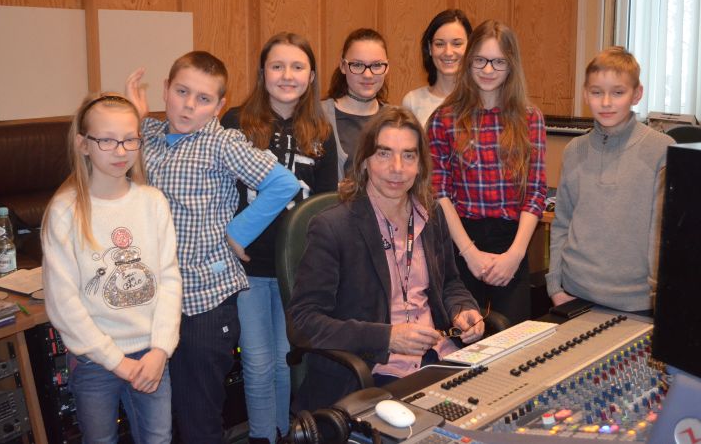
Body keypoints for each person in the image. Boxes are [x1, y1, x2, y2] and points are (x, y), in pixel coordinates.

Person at [125, 52, 300, 444]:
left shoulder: (221, 143)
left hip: (202, 303)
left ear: (219, 107)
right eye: (181, 92)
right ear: (165, 90)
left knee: (198, 417)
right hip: (151, 303)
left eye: (203, 99)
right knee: (157, 414)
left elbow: (283, 184)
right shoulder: (147, 135)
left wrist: (237, 232)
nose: (189, 105)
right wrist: (135, 116)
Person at [287, 106, 485, 411]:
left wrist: (462, 309)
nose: (397, 168)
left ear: (420, 165)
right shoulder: (333, 227)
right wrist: (386, 337)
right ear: (365, 160)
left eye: (409, 155)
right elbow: (303, 323)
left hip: (440, 359)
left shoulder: (431, 214)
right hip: (372, 374)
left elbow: (450, 284)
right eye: (384, 154)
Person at [42, 94, 182, 444]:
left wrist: (161, 350)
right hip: (95, 360)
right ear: (83, 144)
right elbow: (63, 303)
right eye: (106, 140)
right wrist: (116, 361)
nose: (120, 151)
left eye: (130, 139)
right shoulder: (65, 210)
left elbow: (169, 281)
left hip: (150, 354)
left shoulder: (153, 202)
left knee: (158, 438)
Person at [219, 33, 337, 444]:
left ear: (311, 76)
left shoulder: (321, 130)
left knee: (286, 359)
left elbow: (325, 204)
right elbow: (218, 190)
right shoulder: (236, 122)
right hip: (247, 264)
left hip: (295, 269)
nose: (287, 75)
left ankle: (284, 434)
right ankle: (260, 435)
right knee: (256, 359)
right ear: (262, 72)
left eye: (298, 67)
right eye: (277, 66)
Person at [427, 20, 547, 325]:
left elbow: (535, 192)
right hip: (461, 242)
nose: (488, 70)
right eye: (480, 60)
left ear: (511, 65)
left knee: (515, 341)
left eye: (498, 62)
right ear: (469, 62)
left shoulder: (530, 119)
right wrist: (469, 253)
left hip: (512, 243)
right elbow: (439, 192)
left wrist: (515, 255)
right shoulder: (444, 119)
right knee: (463, 339)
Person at [546, 47, 674, 314]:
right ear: (585, 94)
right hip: (574, 294)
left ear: (636, 94)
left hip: (638, 302)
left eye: (618, 92)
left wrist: (658, 297)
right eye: (596, 92)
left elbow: (664, 233)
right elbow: (562, 223)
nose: (606, 102)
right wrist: (555, 287)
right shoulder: (574, 151)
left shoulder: (662, 150)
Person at [321, 28, 390, 180]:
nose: (368, 75)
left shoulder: (397, 119)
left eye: (377, 65)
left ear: (387, 68)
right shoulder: (319, 115)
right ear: (343, 66)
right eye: (358, 65)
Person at [403, 9, 473, 127]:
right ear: (430, 48)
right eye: (439, 44)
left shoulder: (482, 100)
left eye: (457, 44)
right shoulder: (412, 102)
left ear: (470, 46)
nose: (448, 52)